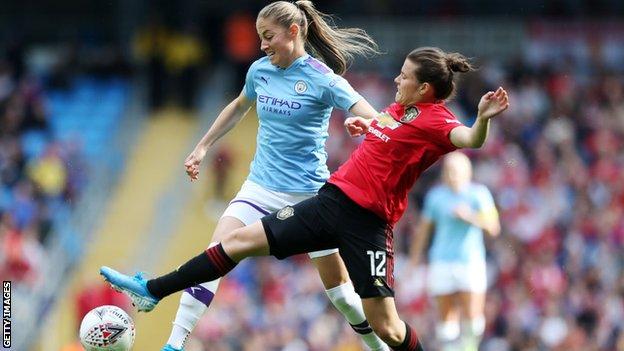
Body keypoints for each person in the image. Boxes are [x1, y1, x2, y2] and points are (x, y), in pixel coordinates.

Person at [101, 47, 510, 351]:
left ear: (423, 87)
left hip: (368, 226)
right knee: (237, 242)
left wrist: (483, 121)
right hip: (328, 202)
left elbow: (467, 139)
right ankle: (153, 289)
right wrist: (366, 124)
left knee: (387, 327)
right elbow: (389, 139)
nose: (396, 81)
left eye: (404, 77)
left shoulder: (439, 120)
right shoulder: (399, 108)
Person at [144, 2, 386, 350]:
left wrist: (366, 124)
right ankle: (174, 343)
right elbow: (239, 106)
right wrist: (202, 146)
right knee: (215, 252)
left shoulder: (323, 78)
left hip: (310, 196)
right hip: (259, 186)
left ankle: (375, 345)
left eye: (268, 36)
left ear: (293, 32)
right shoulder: (259, 71)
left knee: (342, 296)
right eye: (260, 38)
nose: (261, 45)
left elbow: (373, 116)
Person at [409, 152, 500, 351]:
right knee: (446, 321)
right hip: (441, 262)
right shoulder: (436, 196)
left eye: (456, 171)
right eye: (449, 171)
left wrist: (470, 217)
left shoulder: (479, 194)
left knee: (473, 318)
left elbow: (493, 227)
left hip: (470, 262)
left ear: (467, 172)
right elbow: (424, 230)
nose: (452, 176)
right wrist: (414, 259)